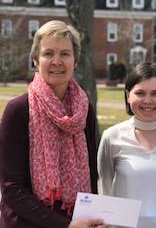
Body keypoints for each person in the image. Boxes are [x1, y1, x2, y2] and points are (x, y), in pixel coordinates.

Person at [0, 20, 107, 228]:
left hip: (77, 221)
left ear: (75, 61)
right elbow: (12, 189)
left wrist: (95, 219)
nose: (57, 61)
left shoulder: (84, 108)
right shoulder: (18, 111)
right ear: (35, 60)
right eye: (48, 53)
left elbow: (91, 175)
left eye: (65, 54)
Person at [98, 62, 156, 228]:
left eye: (155, 93)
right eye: (140, 93)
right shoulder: (111, 136)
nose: (148, 101)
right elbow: (105, 189)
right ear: (127, 95)